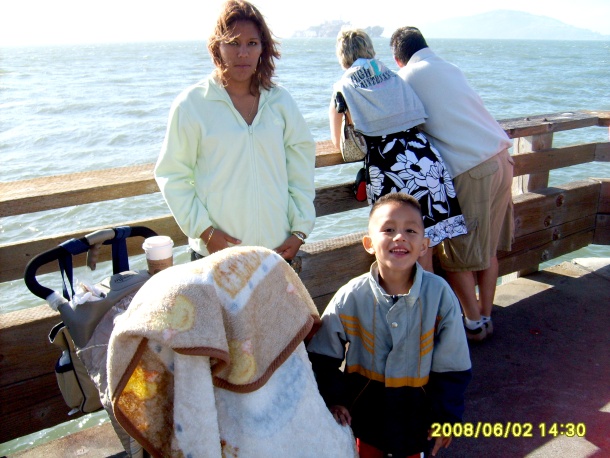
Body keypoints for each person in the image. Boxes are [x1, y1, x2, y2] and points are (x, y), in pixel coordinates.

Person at [307, 193, 472, 457]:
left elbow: (454, 366)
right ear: (369, 243)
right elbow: (321, 355)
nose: (400, 236)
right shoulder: (351, 295)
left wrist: (446, 418)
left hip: (418, 417)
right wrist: (335, 399)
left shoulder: (440, 295)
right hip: (365, 415)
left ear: (424, 245)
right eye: (389, 229)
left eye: (410, 230)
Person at [154, 0, 316, 263]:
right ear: (216, 47)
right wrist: (205, 233)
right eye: (233, 43)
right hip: (216, 253)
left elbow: (301, 169)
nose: (243, 53)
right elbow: (173, 175)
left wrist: (299, 231)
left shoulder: (281, 101)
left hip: (276, 252)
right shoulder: (192, 104)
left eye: (252, 43)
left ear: (263, 48)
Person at [390, 27, 514, 341]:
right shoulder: (449, 67)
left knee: (456, 252)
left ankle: (472, 324)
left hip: (472, 168)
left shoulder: (407, 78)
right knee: (486, 249)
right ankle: (486, 315)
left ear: (397, 58)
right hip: (502, 157)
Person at [329, 28, 467, 272]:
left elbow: (336, 139)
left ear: (343, 55)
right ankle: (427, 306)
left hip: (390, 165)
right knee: (423, 245)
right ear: (369, 48)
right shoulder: (393, 76)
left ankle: (403, 306)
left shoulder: (343, 85)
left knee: (394, 251)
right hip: (424, 158)